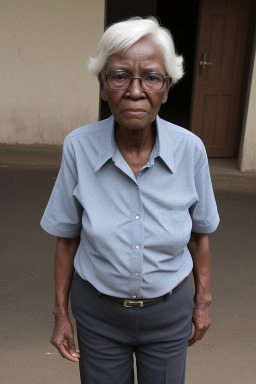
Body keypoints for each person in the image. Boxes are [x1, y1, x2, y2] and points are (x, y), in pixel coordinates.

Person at [40, 16, 219, 384]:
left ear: (166, 89)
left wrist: (203, 302)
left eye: (152, 77)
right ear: (104, 86)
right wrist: (60, 314)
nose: (135, 91)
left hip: (169, 312)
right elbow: (67, 238)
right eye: (119, 76)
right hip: (98, 313)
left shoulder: (190, 151)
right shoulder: (79, 148)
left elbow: (199, 235)